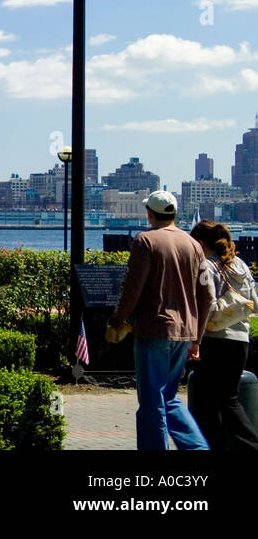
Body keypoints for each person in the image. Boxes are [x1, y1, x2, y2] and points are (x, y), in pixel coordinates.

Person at [107, 191, 211, 451]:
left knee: (152, 401)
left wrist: (118, 319)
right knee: (169, 397)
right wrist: (197, 338)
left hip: (154, 329)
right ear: (174, 214)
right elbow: (207, 295)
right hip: (185, 331)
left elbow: (133, 288)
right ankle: (197, 447)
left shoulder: (145, 241)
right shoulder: (194, 245)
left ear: (150, 214)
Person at [188, 220, 258, 450]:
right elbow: (254, 303)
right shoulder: (241, 265)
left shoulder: (207, 266)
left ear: (199, 243)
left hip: (214, 340)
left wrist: (195, 339)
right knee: (226, 398)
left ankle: (249, 444)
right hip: (240, 340)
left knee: (217, 402)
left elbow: (206, 304)